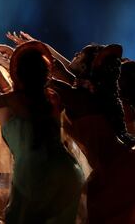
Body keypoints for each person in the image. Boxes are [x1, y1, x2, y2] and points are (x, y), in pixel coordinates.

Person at [0, 41, 84, 223]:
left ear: (18, 74)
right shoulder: (54, 96)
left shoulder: (13, 100)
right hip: (66, 171)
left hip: (35, 175)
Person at [50, 44, 135, 223]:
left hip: (118, 170)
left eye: (80, 55)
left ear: (84, 66)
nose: (75, 54)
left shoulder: (80, 98)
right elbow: (64, 76)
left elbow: (40, 78)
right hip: (115, 166)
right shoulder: (92, 94)